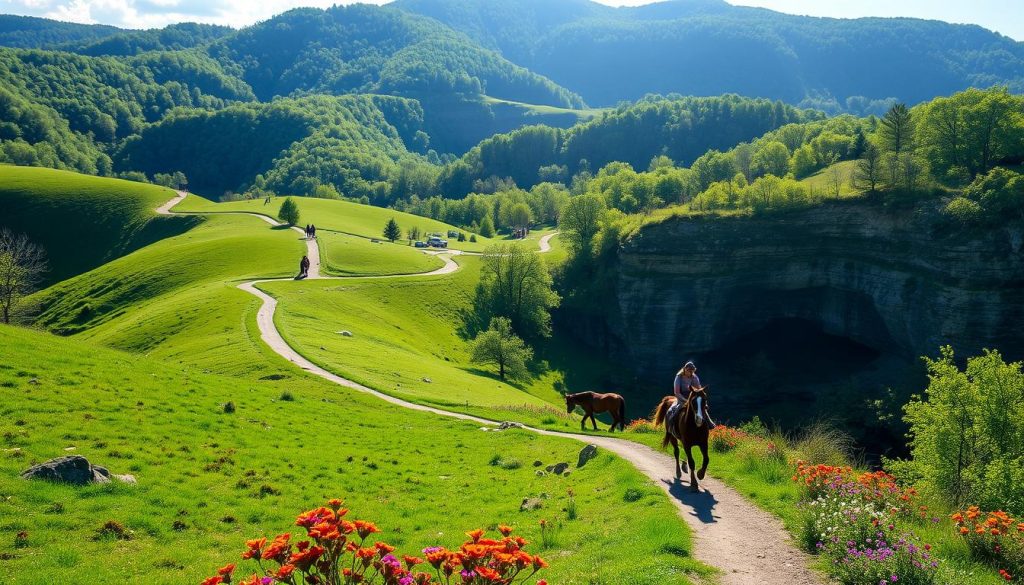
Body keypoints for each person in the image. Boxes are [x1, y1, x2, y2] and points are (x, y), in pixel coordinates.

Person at [669, 361, 716, 429]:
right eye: (689, 371)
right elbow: (677, 392)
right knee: (679, 409)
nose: (691, 372)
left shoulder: (694, 377)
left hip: (691, 396)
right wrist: (686, 401)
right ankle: (671, 425)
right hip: (681, 396)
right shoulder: (679, 377)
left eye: (692, 371)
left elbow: (699, 390)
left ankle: (709, 424)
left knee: (701, 408)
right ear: (685, 369)